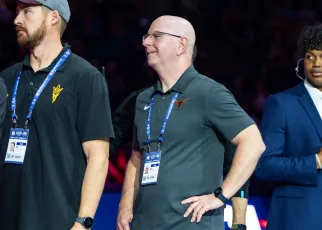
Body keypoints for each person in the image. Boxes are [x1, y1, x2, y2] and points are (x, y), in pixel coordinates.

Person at [116, 15, 265, 230]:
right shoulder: (142, 99)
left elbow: (253, 142)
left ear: (181, 45)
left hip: (192, 224)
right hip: (143, 223)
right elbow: (137, 157)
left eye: (156, 36)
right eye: (146, 36)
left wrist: (220, 196)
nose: (145, 42)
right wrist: (125, 207)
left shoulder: (209, 92)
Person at [0, 0, 114, 230]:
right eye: (16, 12)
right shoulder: (7, 78)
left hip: (57, 220)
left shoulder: (84, 77)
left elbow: (98, 157)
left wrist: (83, 222)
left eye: (27, 12)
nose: (16, 20)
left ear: (53, 17)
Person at [111, 90, 249, 230]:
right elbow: (131, 154)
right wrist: (125, 207)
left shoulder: (211, 95)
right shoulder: (142, 99)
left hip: (195, 219)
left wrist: (238, 223)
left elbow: (238, 155)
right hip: (147, 217)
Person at [255, 24, 322, 230]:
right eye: (310, 57)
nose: (317, 64)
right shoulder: (282, 103)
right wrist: (316, 161)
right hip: (301, 218)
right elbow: (264, 167)